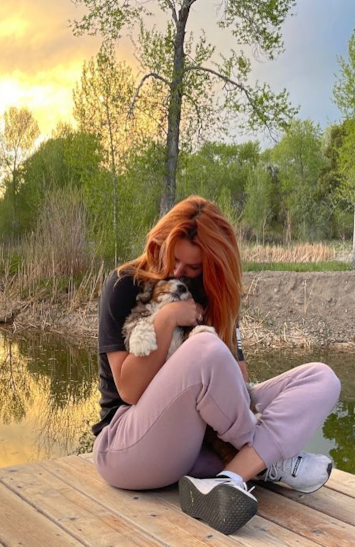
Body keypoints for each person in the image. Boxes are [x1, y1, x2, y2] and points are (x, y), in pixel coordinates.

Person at [92, 196, 342, 535]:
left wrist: (220, 348)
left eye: (192, 267)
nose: (179, 272)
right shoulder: (123, 285)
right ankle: (269, 460)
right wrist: (166, 320)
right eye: (173, 258)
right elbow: (130, 390)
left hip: (201, 447)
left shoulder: (213, 296)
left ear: (212, 264)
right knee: (206, 347)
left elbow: (236, 382)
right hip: (127, 445)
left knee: (322, 379)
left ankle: (229, 478)